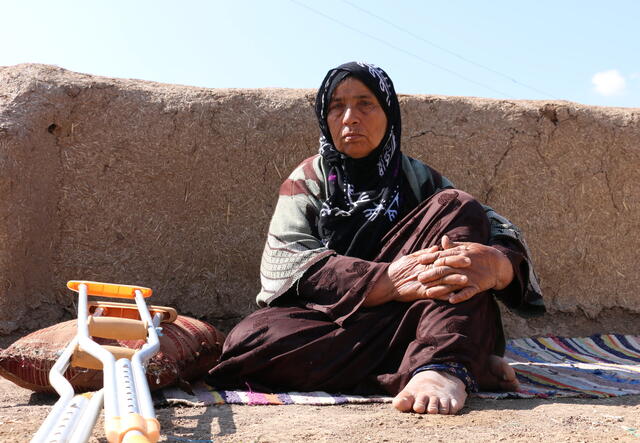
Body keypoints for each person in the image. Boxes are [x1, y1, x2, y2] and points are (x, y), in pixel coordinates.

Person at [206, 62, 544, 415]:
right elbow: (285, 262)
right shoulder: (308, 180)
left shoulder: (420, 180)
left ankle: (443, 365)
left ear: (389, 113)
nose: (350, 117)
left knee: (457, 211)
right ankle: (456, 359)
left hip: (427, 311)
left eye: (365, 104)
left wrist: (499, 267)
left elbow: (490, 227)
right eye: (337, 106)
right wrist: (387, 281)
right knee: (248, 342)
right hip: (341, 320)